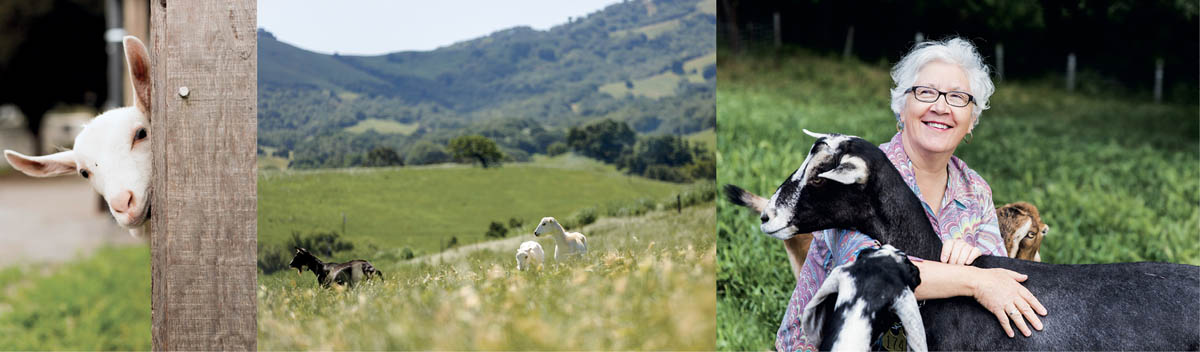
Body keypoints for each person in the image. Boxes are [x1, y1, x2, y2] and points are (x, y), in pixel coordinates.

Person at [775, 37, 1048, 351]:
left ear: (971, 121)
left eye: (958, 97)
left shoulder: (975, 190)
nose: (941, 106)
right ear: (901, 108)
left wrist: (979, 264)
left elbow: (998, 276)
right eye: (926, 92)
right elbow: (868, 274)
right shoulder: (857, 178)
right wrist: (973, 279)